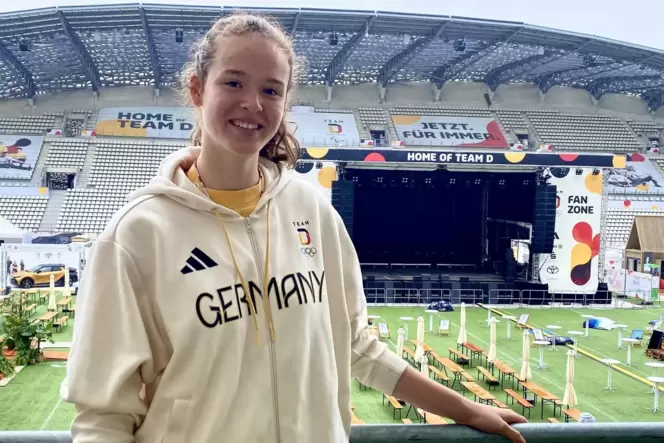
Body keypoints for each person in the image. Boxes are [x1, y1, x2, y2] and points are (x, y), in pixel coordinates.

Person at [61, 13, 527, 443]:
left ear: (286, 101)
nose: (252, 103)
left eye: (271, 89)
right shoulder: (138, 234)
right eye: (234, 82)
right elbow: (103, 416)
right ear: (198, 90)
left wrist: (463, 408)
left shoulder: (312, 208)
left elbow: (356, 346)